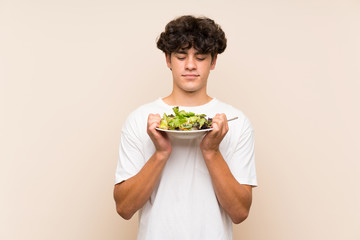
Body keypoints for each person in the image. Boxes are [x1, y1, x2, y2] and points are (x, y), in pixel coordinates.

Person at [113, 15, 257, 240]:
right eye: (181, 56)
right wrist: (161, 153)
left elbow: (240, 212)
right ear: (168, 60)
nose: (190, 65)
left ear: (213, 61)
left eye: (200, 57)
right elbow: (124, 208)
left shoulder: (235, 121)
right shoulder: (140, 119)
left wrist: (211, 151)